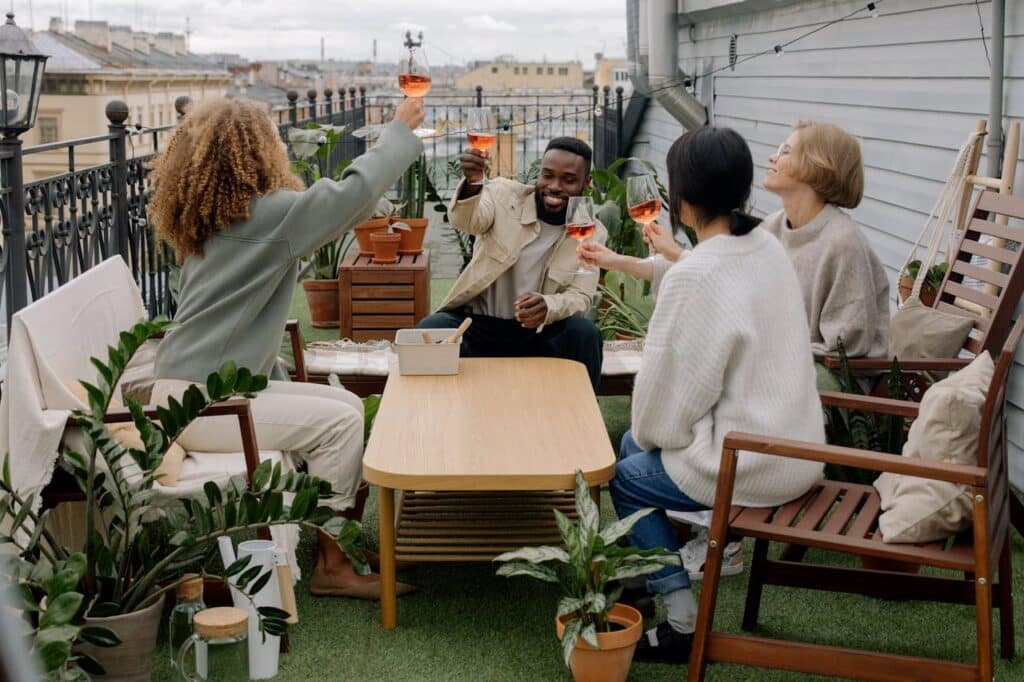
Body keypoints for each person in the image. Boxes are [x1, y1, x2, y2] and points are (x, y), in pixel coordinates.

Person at [148, 95, 425, 600]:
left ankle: (334, 540)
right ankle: (332, 566)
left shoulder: (214, 219)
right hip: (205, 405)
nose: (279, 143)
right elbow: (349, 197)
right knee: (343, 422)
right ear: (254, 151)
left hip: (185, 393)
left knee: (343, 405)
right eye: (272, 137)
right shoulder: (267, 215)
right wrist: (397, 134)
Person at [578, 127, 825, 664]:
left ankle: (685, 626)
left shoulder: (696, 276)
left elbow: (659, 415)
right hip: (799, 447)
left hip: (754, 464)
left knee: (626, 477)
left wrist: (655, 436)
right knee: (630, 450)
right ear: (742, 189)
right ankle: (645, 580)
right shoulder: (766, 245)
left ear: (681, 198)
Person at [417, 137, 606, 391]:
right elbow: (468, 221)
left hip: (539, 332)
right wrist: (473, 184)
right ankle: (430, 414)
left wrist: (548, 305)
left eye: (568, 180)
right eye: (547, 176)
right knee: (430, 330)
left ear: (586, 184)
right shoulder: (503, 195)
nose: (554, 186)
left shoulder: (591, 232)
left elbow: (581, 296)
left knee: (584, 334)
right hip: (480, 325)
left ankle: (583, 416)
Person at [761, 120, 890, 359]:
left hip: (834, 375)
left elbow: (846, 346)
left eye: (785, 151)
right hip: (782, 364)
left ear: (818, 166)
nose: (773, 158)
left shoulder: (843, 243)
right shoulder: (771, 228)